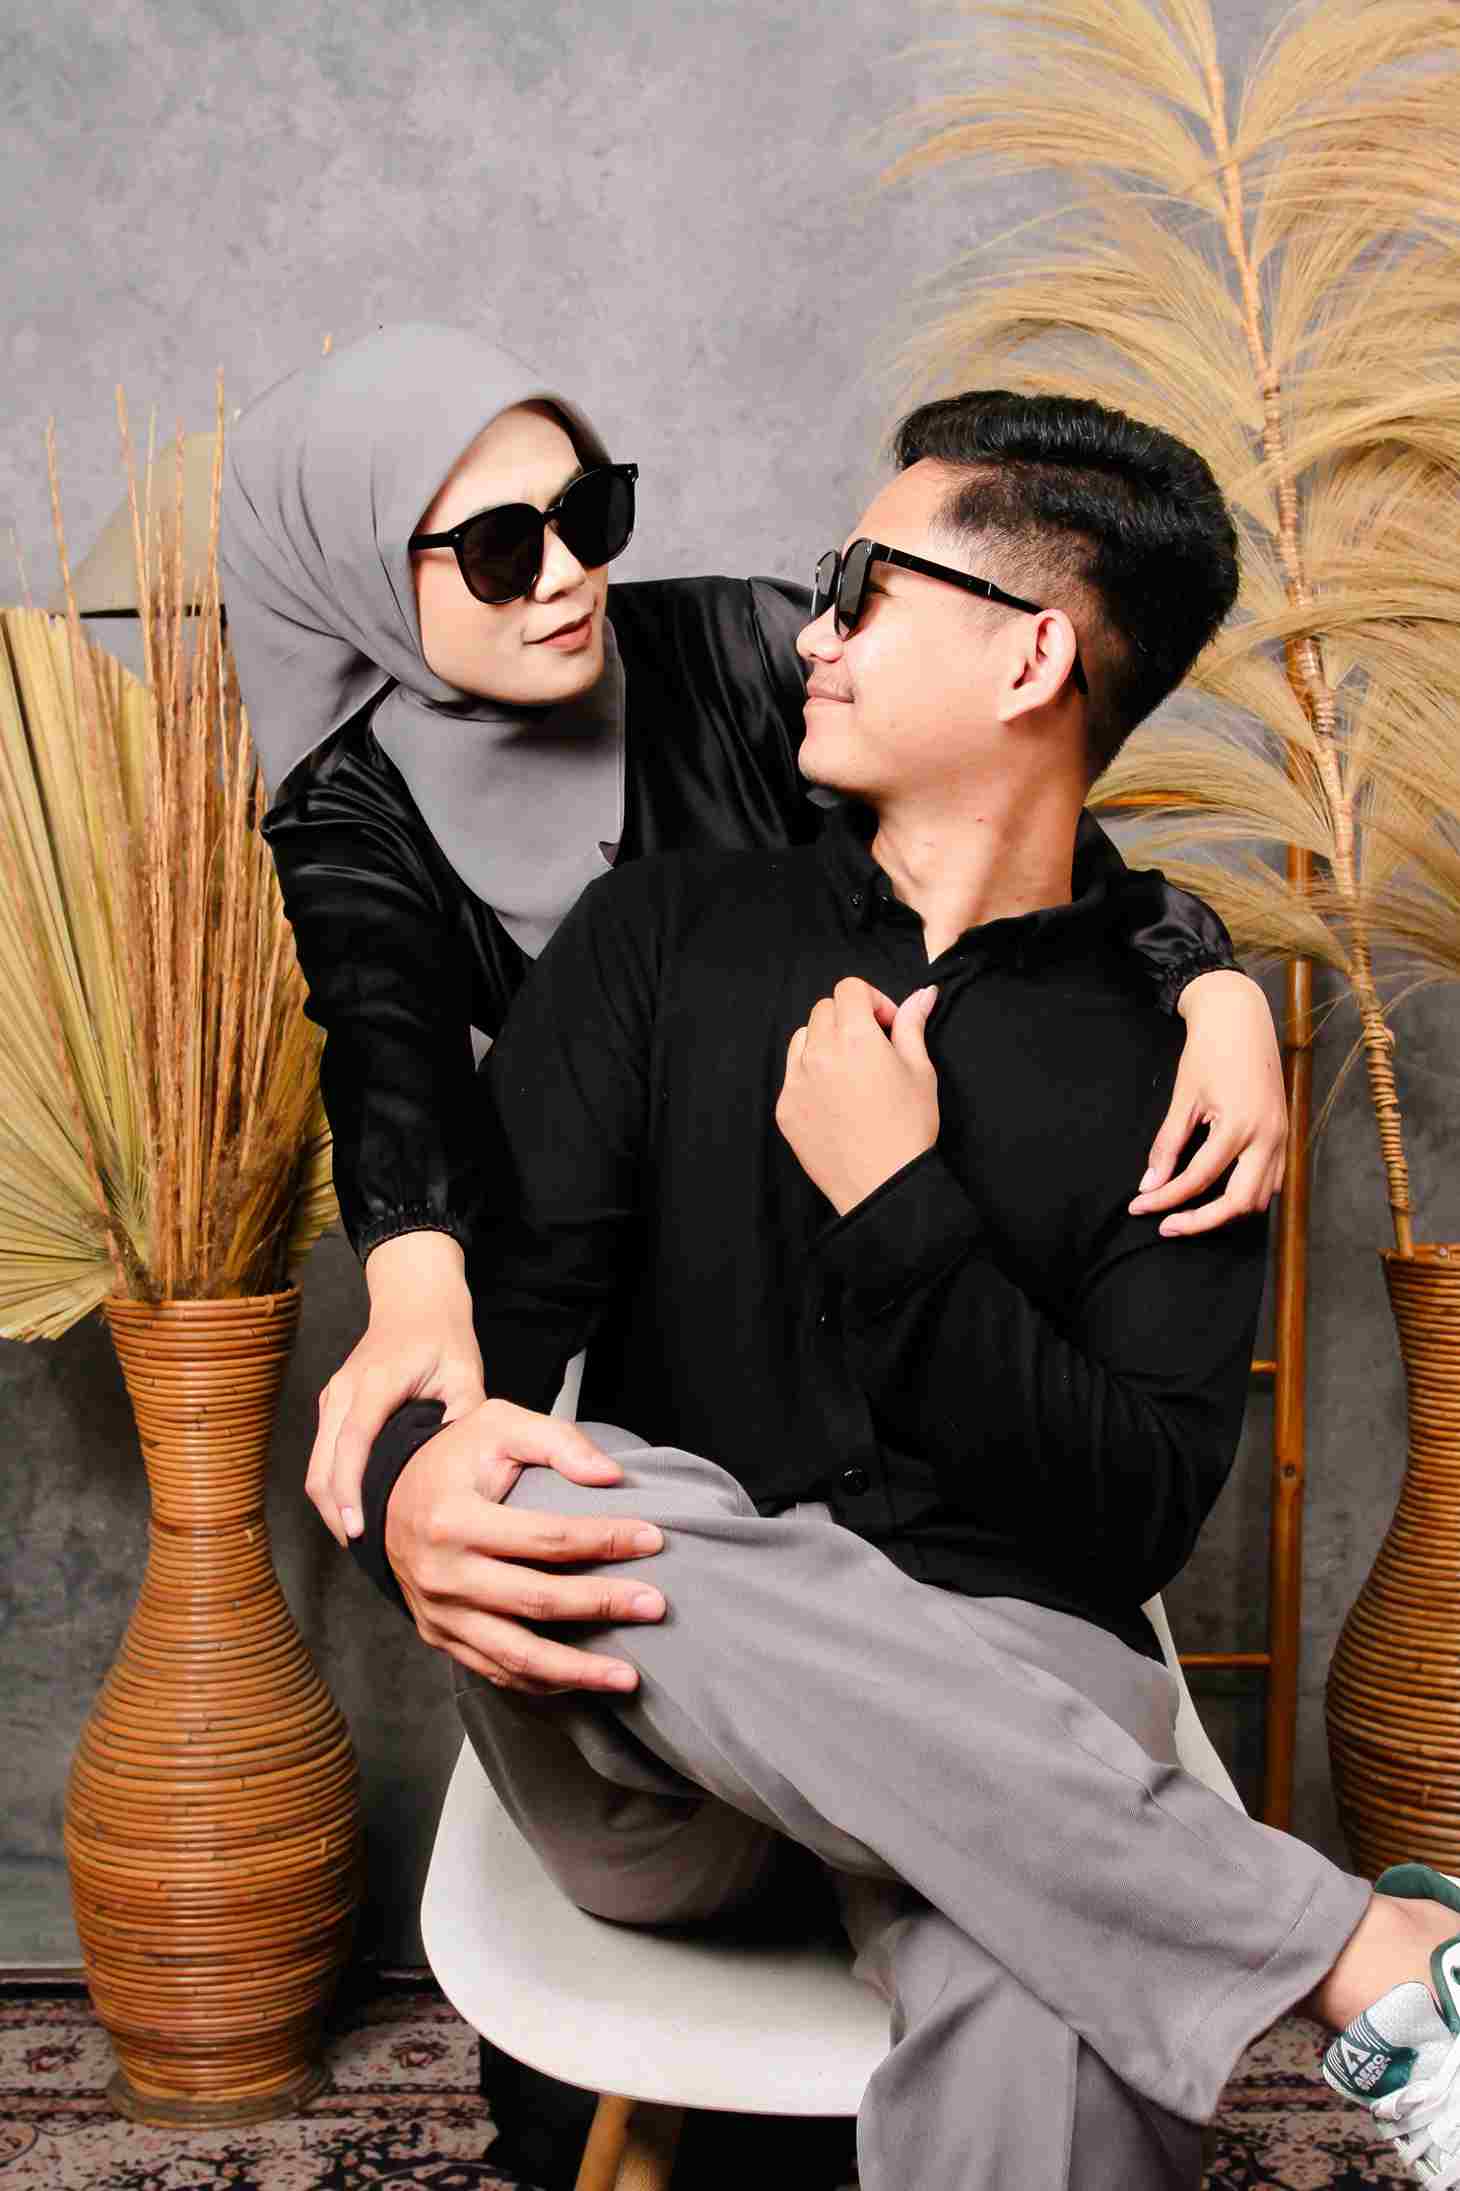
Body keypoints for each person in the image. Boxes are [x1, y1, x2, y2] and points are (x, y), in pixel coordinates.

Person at [352, 390, 1460, 2191]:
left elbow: (1123, 1524)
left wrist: (894, 1202)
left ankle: (1228, 1930)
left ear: (1034, 656)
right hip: (656, 1742)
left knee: (1047, 1976)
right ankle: (1354, 1951)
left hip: (1022, 1712)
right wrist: (411, 1491)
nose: (815, 633)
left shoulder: (1182, 1067)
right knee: (537, 1476)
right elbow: (462, 1348)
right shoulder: (659, 941)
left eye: (864, 589)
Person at [221, 324, 1288, 1645]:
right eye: (499, 551)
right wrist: (418, 1309)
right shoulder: (377, 824)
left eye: (589, 516)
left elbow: (1007, 802)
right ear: (365, 579)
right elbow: (388, 1047)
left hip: (932, 1380)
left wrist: (1208, 983)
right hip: (662, 1354)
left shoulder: (733, 643)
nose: (568, 576)